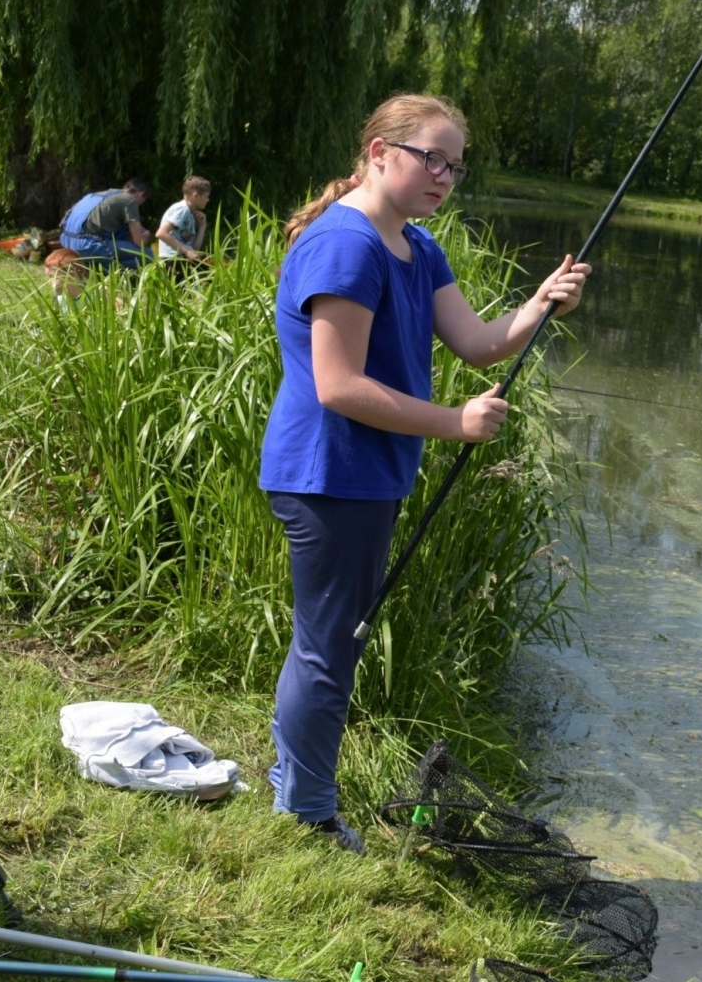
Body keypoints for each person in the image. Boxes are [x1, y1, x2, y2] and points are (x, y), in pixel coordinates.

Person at [258, 94, 590, 853]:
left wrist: (541, 302)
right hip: (327, 473)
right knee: (327, 646)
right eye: (429, 157)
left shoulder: (417, 245)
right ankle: (306, 811)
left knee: (325, 639)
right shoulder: (348, 247)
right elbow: (337, 384)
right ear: (379, 152)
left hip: (365, 475)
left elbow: (476, 343)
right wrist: (454, 423)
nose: (443, 174)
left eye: (455, 165)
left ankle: (296, 785)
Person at [60, 178, 154, 270]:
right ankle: (106, 275)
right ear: (141, 194)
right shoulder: (129, 200)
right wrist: (145, 237)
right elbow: (139, 241)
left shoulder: (94, 195)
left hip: (66, 241)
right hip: (87, 245)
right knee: (148, 255)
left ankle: (93, 269)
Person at [156, 176, 211, 265]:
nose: (208, 200)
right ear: (196, 196)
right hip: (173, 260)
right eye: (206, 196)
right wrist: (187, 252)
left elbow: (194, 247)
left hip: (181, 258)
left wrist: (202, 225)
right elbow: (161, 233)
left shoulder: (190, 214)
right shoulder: (182, 209)